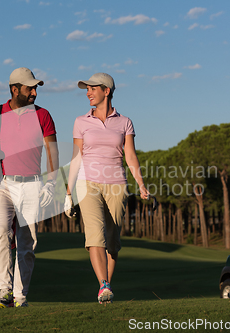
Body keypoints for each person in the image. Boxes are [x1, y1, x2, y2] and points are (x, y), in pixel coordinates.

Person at [0, 67, 59, 308]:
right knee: (0, 231)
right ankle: (3, 291)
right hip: (2, 184)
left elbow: (52, 150)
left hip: (32, 184)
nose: (34, 92)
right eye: (29, 88)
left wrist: (51, 182)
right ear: (15, 89)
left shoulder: (43, 115)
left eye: (35, 88)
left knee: (27, 244)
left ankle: (20, 297)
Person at [64, 72, 149, 304]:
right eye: (86, 89)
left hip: (116, 184)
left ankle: (107, 287)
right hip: (87, 182)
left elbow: (130, 155)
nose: (88, 93)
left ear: (106, 91)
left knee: (112, 242)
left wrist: (140, 183)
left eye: (92, 88)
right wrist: (69, 192)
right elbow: (76, 157)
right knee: (95, 235)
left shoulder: (125, 122)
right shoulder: (81, 121)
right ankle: (103, 285)